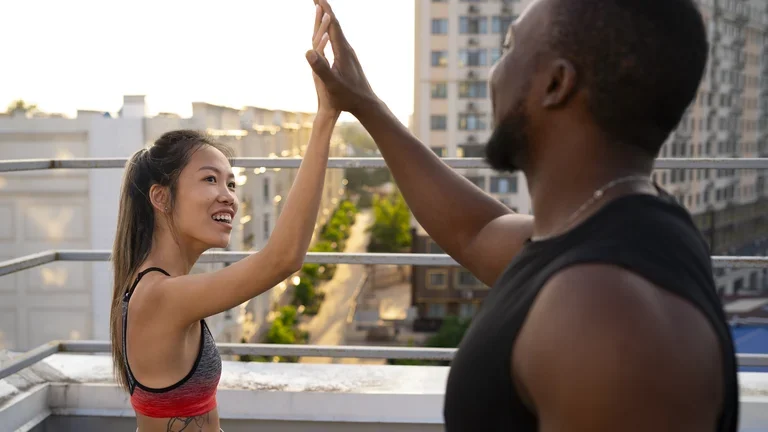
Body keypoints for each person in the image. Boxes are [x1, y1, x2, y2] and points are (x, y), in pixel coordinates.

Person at [306, 0, 738, 430]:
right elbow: (475, 231)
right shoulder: (617, 233)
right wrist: (366, 104)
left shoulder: (608, 316)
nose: (493, 73)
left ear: (555, 83)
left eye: (509, 47)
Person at [109, 7, 337, 432]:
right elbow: (283, 258)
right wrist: (324, 119)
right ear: (160, 197)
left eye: (231, 183)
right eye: (210, 179)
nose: (228, 197)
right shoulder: (159, 296)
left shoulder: (163, 287)